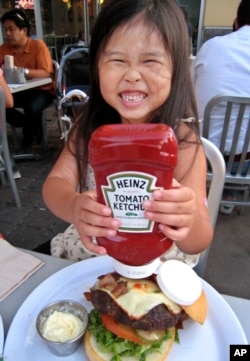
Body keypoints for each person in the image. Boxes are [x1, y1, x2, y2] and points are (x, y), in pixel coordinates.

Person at [42, 0, 213, 263]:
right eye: (117, 60)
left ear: (175, 71)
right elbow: (54, 186)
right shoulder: (87, 129)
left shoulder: (183, 142)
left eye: (151, 61)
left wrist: (187, 217)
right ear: (97, 68)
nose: (133, 74)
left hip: (157, 271)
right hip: (92, 259)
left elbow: (198, 241)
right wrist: (74, 206)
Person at [190, 0, 250, 215]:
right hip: (245, 162)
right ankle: (229, 195)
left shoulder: (212, 46)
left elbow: (190, 92)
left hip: (204, 153)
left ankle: (204, 191)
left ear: (235, 23)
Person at [0, 9, 55, 148]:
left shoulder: (38, 46)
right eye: (5, 30)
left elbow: (46, 73)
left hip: (42, 90)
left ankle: (28, 138)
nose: (7, 34)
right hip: (16, 90)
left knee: (32, 108)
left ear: (23, 30)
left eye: (11, 29)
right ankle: (25, 123)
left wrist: (23, 71)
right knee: (1, 102)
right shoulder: (4, 49)